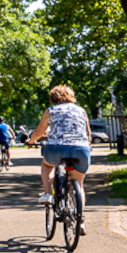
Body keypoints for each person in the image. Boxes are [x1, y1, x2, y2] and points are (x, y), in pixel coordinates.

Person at [24, 84, 91, 235]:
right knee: (79, 184)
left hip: (56, 148)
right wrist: (88, 148)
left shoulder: (51, 111)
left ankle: (48, 194)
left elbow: (40, 132)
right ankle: (80, 220)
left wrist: (31, 141)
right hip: (81, 149)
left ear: (53, 98)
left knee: (47, 165)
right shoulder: (81, 110)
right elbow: (88, 133)